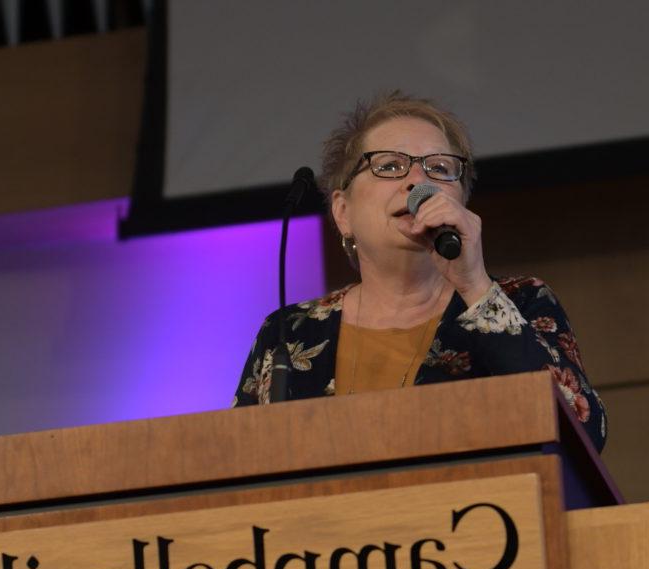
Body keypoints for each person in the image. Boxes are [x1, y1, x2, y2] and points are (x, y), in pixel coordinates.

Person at [233, 92, 607, 453]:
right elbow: (239, 466)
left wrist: (475, 285)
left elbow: (582, 435)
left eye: (439, 168)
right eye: (390, 165)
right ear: (343, 212)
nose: (417, 181)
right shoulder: (288, 333)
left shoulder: (522, 301)